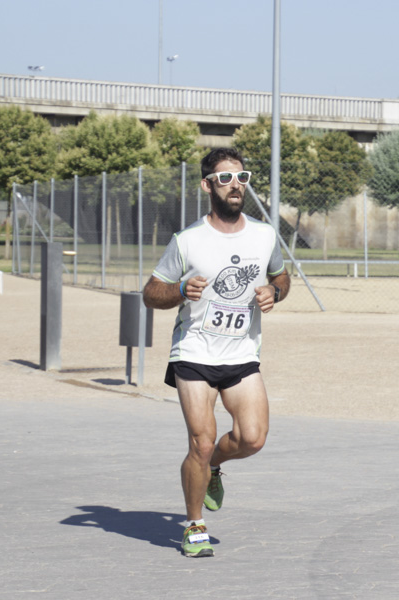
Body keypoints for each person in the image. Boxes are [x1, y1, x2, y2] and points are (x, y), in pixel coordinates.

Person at [143, 147, 290, 558]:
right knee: (201, 441)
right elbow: (150, 293)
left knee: (252, 438)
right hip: (194, 351)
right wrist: (177, 291)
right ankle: (194, 525)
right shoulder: (187, 241)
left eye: (242, 179)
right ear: (208, 185)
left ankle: (213, 471)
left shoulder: (263, 236)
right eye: (225, 179)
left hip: (242, 352)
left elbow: (282, 277)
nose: (235, 187)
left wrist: (274, 291)